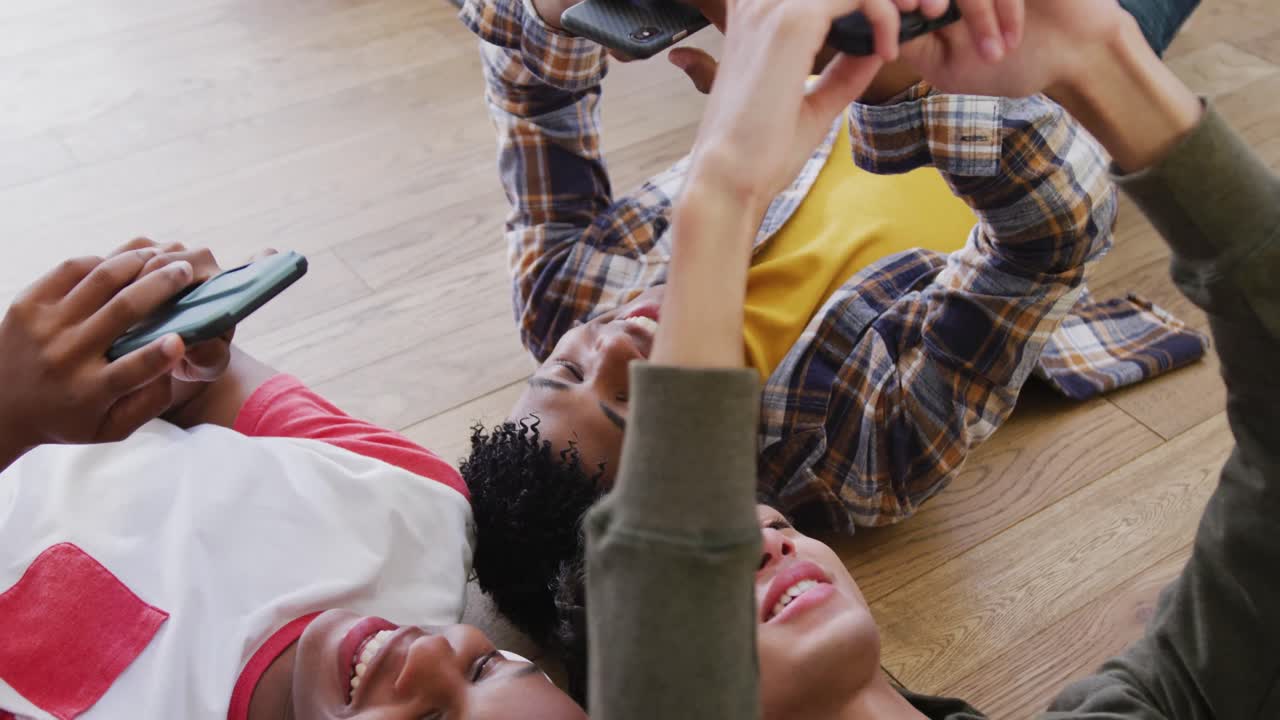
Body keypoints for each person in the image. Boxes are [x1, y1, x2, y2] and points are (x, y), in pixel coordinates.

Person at [582, 0, 1280, 717]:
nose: (606, 347)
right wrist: (721, 199)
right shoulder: (839, 438)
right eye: (713, 528)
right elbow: (664, 644)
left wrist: (1096, 54)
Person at [0, 242, 584, 719]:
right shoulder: (415, 503)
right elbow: (207, 382)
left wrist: (14, 412)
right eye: (485, 667)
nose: (429, 650)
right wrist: (169, 348)